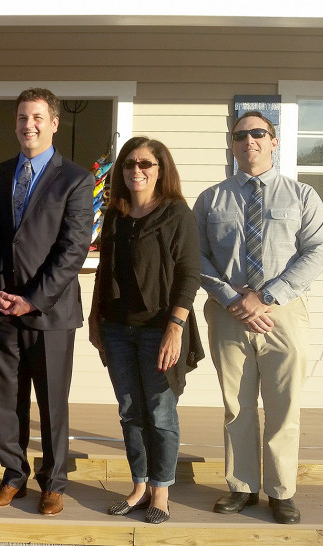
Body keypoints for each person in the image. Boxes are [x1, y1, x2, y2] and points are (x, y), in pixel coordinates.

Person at [194, 111, 323, 524]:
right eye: (240, 135)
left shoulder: (302, 196)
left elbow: (317, 251)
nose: (248, 140)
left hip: (282, 314)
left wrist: (267, 296)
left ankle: (281, 491)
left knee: (283, 405)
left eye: (258, 133)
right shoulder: (210, 199)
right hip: (228, 314)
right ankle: (243, 486)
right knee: (237, 406)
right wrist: (233, 297)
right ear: (232, 144)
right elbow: (194, 256)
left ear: (273, 142)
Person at [0, 88, 94, 516]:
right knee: (6, 401)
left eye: (38, 117)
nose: (30, 125)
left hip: (51, 312)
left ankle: (54, 482)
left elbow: (72, 251)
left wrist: (31, 299)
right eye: (23, 117)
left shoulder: (76, 179)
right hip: (0, 311)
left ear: (54, 122)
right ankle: (12, 476)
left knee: (52, 402)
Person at [87, 136, 203, 525]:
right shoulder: (116, 213)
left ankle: (161, 491)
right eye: (129, 164)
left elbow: (190, 274)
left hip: (159, 327)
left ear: (160, 169)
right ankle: (138, 485)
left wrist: (175, 327)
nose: (136, 170)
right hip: (117, 327)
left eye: (145, 164)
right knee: (129, 411)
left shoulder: (176, 214)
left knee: (160, 412)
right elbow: (104, 271)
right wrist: (94, 318)